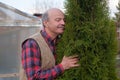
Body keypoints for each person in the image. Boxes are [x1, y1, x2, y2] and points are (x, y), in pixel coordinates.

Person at [21, 8, 79, 80]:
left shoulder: (61, 41)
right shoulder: (32, 43)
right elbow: (34, 77)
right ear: (46, 23)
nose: (63, 23)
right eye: (58, 20)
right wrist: (62, 66)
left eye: (64, 20)